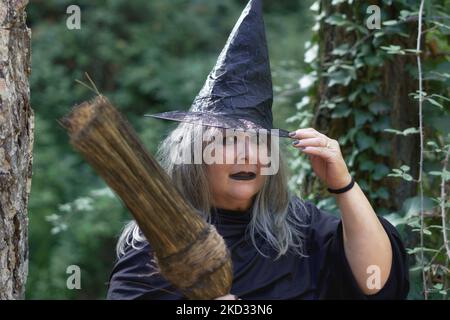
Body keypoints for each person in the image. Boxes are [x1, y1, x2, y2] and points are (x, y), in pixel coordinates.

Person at [106, 0, 409, 300]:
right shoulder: (158, 244)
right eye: (227, 140)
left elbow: (376, 283)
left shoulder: (298, 225)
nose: (249, 154)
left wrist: (343, 184)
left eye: (260, 141)